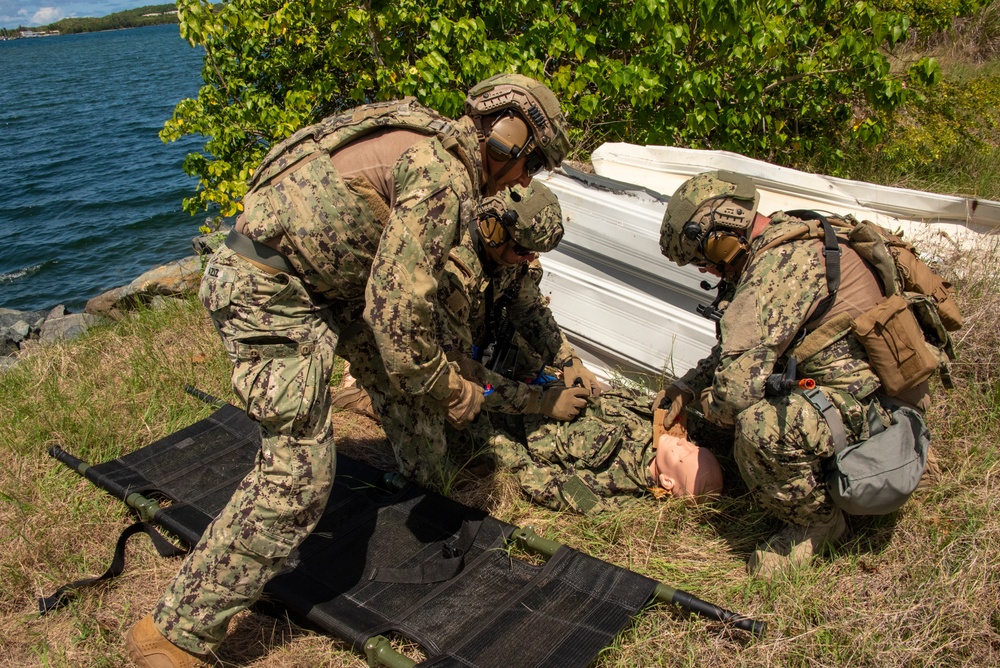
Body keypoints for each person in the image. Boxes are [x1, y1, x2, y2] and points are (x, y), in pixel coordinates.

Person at [125, 73, 571, 667]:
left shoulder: (430, 141)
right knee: (299, 474)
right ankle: (173, 633)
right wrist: (452, 386)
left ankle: (426, 491)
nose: (522, 180)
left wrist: (436, 382)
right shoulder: (443, 176)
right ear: (509, 141)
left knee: (406, 395)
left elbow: (387, 293)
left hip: (326, 285)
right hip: (272, 292)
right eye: (530, 166)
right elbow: (398, 316)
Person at [655, 170, 952, 578]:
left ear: (722, 232)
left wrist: (707, 401)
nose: (707, 271)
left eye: (703, 257)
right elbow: (736, 352)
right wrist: (686, 387)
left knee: (758, 425)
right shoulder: (798, 233)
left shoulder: (773, 271)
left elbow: (733, 396)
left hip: (870, 412)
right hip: (886, 397)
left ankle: (818, 521)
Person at [335, 181, 601, 490]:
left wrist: (569, 359)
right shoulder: (452, 273)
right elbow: (463, 371)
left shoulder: (507, 250)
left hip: (455, 338)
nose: (528, 259)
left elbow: (530, 310)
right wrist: (541, 402)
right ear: (494, 231)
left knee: (521, 364)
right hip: (403, 350)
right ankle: (376, 397)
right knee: (437, 460)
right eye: (523, 251)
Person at [485, 386, 724, 514]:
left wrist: (494, 440)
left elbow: (543, 482)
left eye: (683, 457)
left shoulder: (621, 492)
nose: (683, 443)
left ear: (667, 481)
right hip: (544, 388)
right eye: (693, 446)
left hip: (514, 423)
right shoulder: (661, 422)